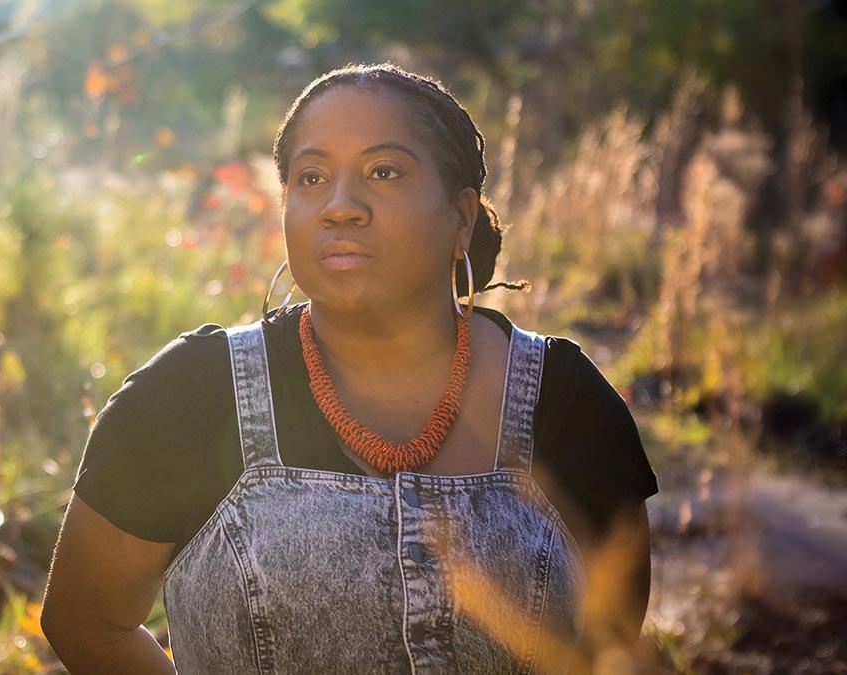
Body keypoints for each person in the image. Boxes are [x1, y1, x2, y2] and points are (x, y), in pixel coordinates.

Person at [41, 63, 658, 674]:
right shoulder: (191, 396)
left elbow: (608, 644)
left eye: (383, 172)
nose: (340, 207)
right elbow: (85, 622)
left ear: (462, 217)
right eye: (311, 178)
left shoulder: (567, 404)